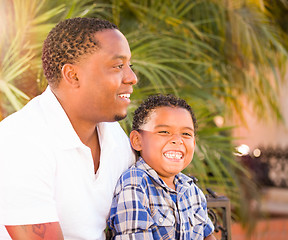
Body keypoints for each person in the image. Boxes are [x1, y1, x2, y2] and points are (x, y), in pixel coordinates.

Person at [0, 17, 137, 239]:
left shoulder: (114, 136)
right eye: (118, 66)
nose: (132, 77)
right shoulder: (20, 141)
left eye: (130, 66)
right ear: (73, 75)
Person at [108, 94, 216, 240]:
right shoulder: (136, 184)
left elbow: (207, 235)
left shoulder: (191, 190)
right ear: (137, 140)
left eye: (186, 134)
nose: (178, 141)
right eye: (164, 132)